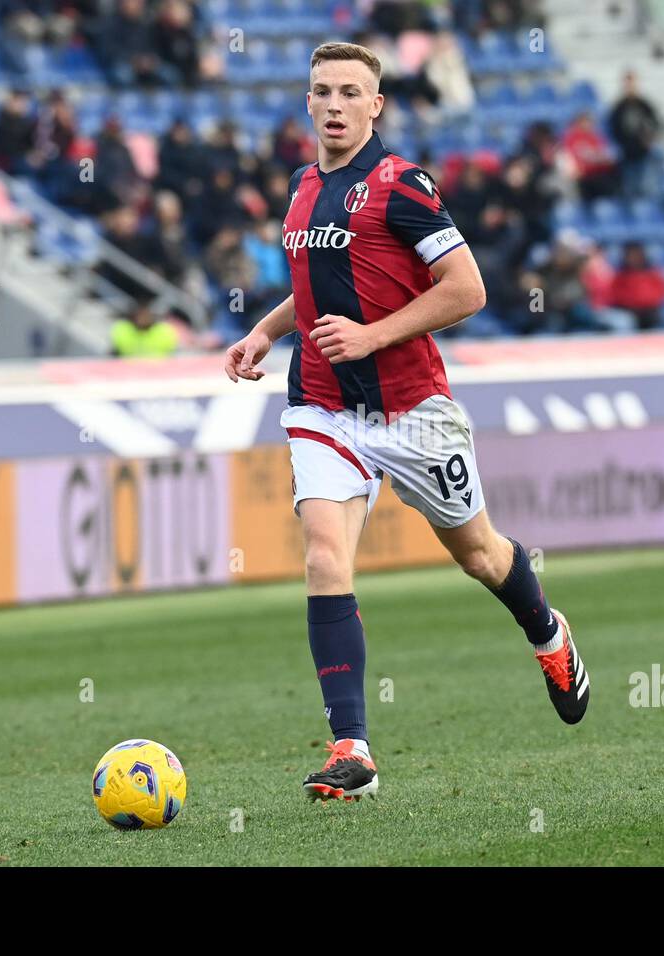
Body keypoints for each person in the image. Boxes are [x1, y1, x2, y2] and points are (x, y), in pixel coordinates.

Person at [222, 42, 590, 804]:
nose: (333, 104)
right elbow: (313, 284)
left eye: (350, 92)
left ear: (376, 105)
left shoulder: (403, 188)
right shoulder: (299, 187)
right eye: (322, 90)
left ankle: (548, 634)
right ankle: (352, 746)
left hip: (412, 409)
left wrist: (374, 336)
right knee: (326, 558)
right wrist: (266, 331)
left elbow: (468, 289)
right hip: (322, 403)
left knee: (482, 556)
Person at [111, 297, 178, 357]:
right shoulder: (122, 330)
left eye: (146, 315)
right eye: (140, 315)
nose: (143, 318)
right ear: (134, 316)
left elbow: (173, 355)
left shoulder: (164, 331)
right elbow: (115, 355)